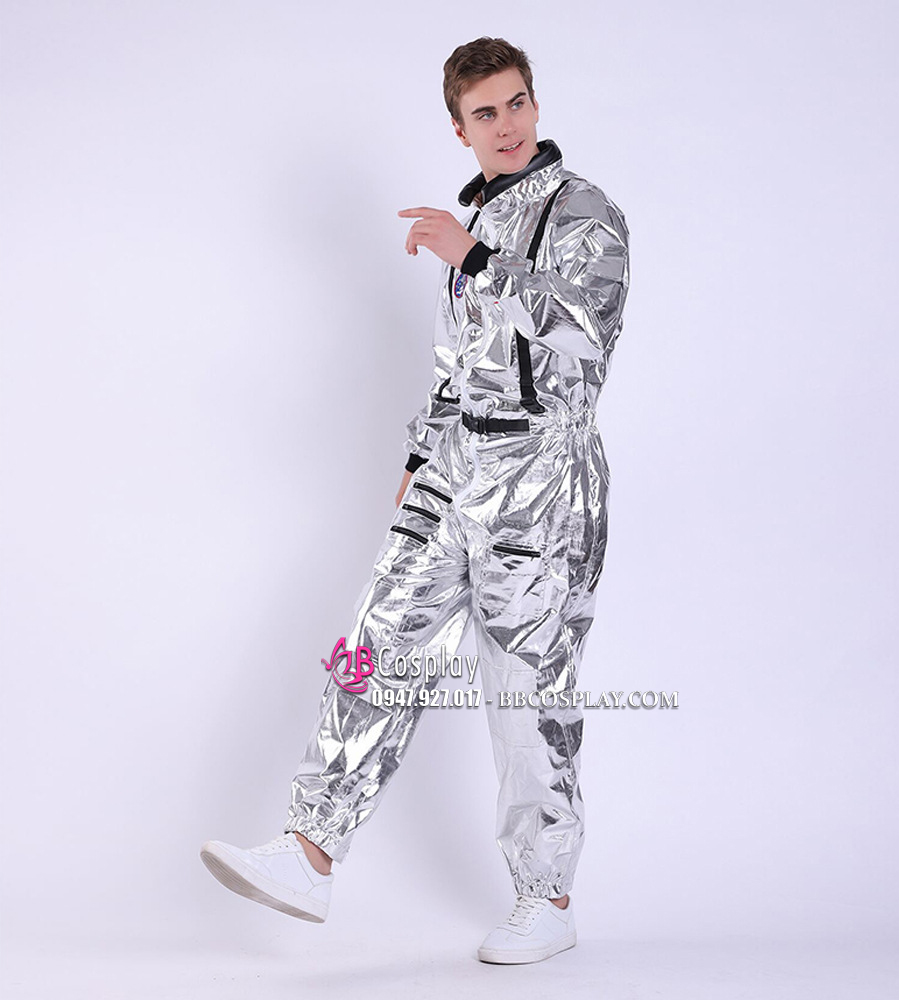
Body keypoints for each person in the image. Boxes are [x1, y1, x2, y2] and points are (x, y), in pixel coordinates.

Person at [200, 36, 630, 966]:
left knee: (526, 694)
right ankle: (310, 850)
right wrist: (419, 459)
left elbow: (586, 330)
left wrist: (475, 257)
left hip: (543, 477)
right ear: (458, 128)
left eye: (516, 103)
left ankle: (547, 896)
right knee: (378, 642)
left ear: (536, 105)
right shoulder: (469, 224)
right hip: (452, 476)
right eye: (485, 113)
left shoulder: (582, 210)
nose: (506, 125)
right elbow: (457, 367)